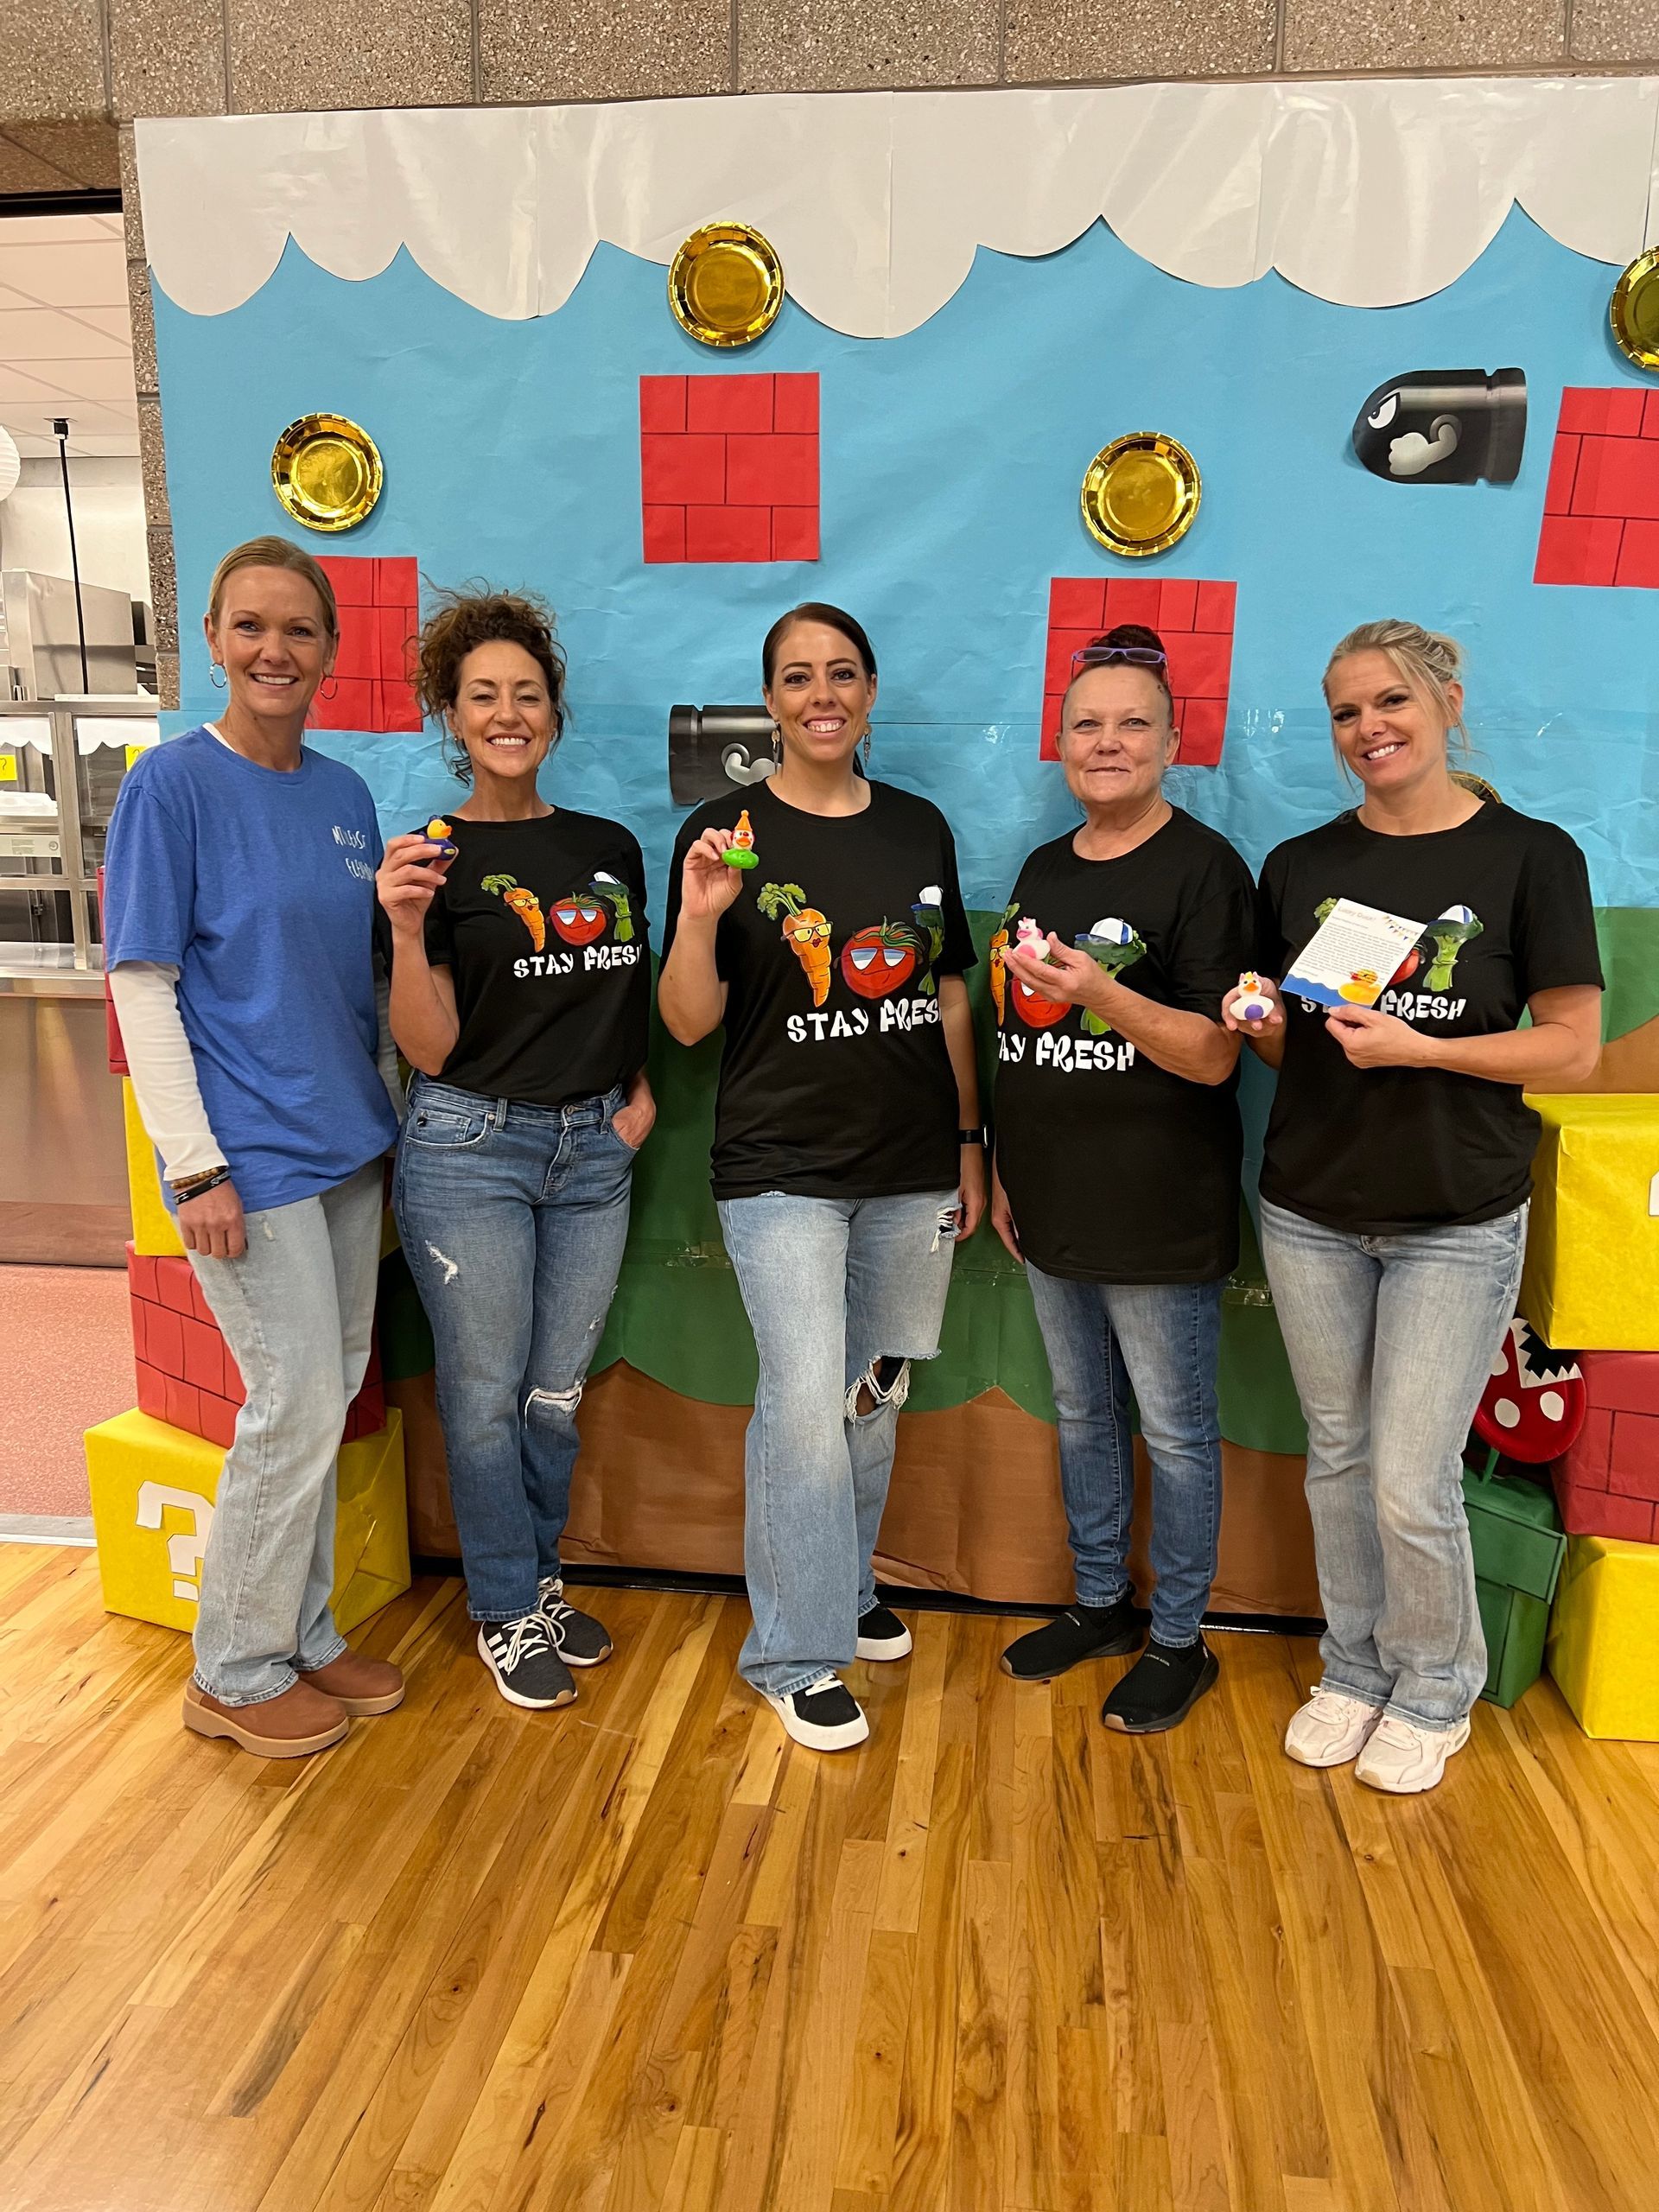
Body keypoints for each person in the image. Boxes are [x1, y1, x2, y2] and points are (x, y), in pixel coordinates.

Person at [1231, 620, 1602, 1795]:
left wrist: (1423, 1052)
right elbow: (1309, 1054)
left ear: (1445, 704)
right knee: (1337, 1461)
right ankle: (1352, 1668)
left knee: (1409, 1475)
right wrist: (1265, 1028)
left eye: (1390, 702)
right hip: (1310, 1210)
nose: (1368, 729)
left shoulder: (1532, 858)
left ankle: (1438, 1685)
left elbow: (1575, 1047)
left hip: (1457, 1217)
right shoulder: (1299, 864)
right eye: (1345, 713)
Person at [658, 603, 986, 1752]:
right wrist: (701, 920)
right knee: (803, 1405)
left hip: (909, 1169)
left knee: (873, 1392)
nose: (821, 694)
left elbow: (947, 990)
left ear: (871, 691)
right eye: (797, 677)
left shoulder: (918, 827)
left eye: (841, 673)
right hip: (780, 1172)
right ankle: (794, 1652)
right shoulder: (724, 834)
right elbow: (689, 1024)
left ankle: (841, 1588)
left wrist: (969, 1142)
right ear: (772, 700)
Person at [103, 536, 405, 1758]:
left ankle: (306, 1636)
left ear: (329, 651)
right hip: (249, 1158)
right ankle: (231, 1667)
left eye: (298, 630)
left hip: (347, 1145)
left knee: (324, 1399)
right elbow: (141, 980)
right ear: (215, 641)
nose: (274, 650)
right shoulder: (170, 787)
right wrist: (194, 1166)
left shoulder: (345, 797)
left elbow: (356, 981)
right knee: (286, 1404)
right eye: (250, 628)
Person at [378, 590, 652, 1713]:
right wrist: (400, 928)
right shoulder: (432, 859)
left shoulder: (606, 847)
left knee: (553, 1395)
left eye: (526, 694)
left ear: (553, 711)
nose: (507, 713)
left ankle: (536, 1583)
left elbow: (626, 991)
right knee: (485, 1396)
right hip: (468, 1149)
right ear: (452, 712)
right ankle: (503, 1606)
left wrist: (634, 1106)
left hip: (593, 1152)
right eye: (483, 695)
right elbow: (430, 1045)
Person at [991, 625, 1255, 1732]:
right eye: (1087, 724)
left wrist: (1102, 991)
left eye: (1131, 723)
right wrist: (1004, 1167)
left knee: (1178, 1434)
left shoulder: (1208, 870)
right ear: (1061, 744)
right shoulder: (1045, 869)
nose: (1108, 742)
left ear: (1172, 741)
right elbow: (1016, 1026)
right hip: (1049, 1201)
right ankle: (1100, 1601)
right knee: (1082, 1417)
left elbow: (1211, 1054)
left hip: (1160, 1211)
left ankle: (1181, 1640)